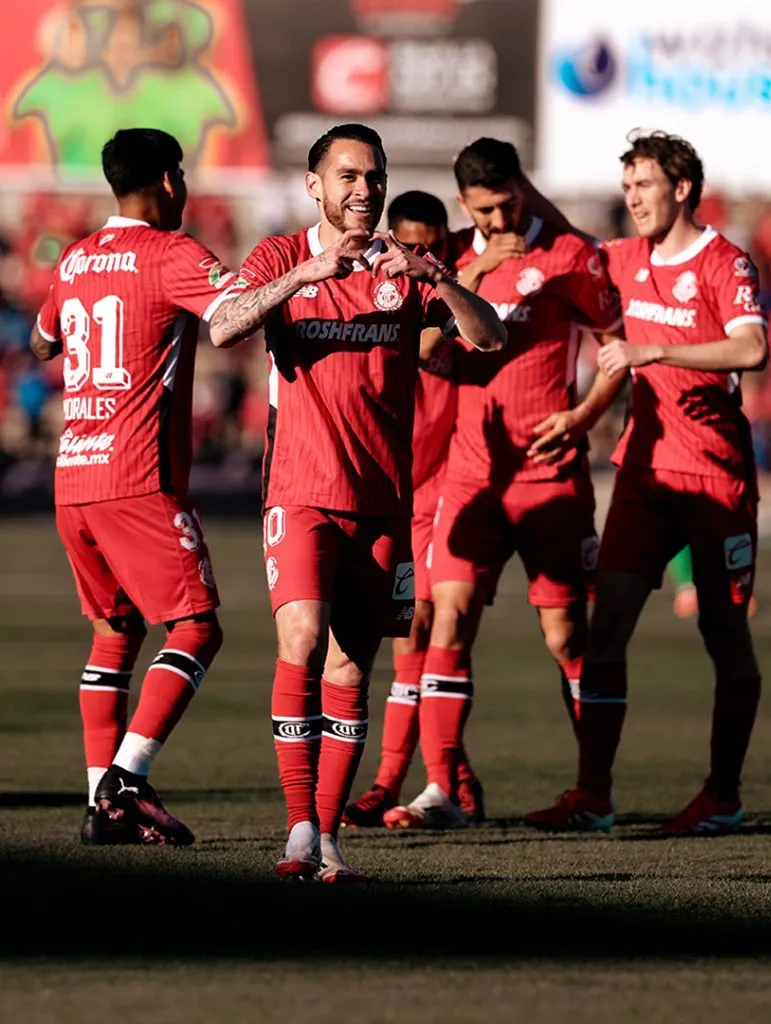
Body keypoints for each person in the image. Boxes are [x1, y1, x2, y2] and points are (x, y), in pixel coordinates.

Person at [207, 123, 506, 881]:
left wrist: (434, 277)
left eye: (371, 176)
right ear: (314, 185)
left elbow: (489, 337)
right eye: (346, 176)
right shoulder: (281, 255)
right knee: (301, 641)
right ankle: (298, 828)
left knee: (349, 669)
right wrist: (305, 275)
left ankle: (330, 838)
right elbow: (222, 326)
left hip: (381, 502)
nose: (363, 190)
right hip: (300, 491)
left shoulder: (406, 271)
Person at [526, 130, 767, 835]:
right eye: (626, 188)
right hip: (641, 472)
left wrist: (656, 348)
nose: (632, 199)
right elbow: (566, 237)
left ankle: (721, 794)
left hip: (715, 476)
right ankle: (593, 796)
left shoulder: (725, 263)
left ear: (682, 188)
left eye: (644, 187)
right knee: (605, 632)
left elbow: (751, 346)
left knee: (724, 636)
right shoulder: (619, 259)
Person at [382, 138, 623, 830]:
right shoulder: (455, 255)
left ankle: (593, 796)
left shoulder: (570, 256)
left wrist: (582, 417)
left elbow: (616, 345)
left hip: (549, 476)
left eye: (509, 203)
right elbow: (417, 350)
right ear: (464, 205)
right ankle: (442, 790)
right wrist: (476, 267)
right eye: (484, 209)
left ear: (524, 189)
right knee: (446, 621)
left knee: (566, 637)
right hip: (471, 476)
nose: (499, 219)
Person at [31, 128, 238, 845]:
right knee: (197, 628)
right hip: (137, 475)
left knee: (114, 631)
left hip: (73, 474)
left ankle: (99, 804)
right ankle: (126, 778)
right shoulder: (174, 252)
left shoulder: (76, 256)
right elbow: (234, 312)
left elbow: (43, 341)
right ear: (168, 181)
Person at [342, 191, 484, 828]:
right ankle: (409, 780)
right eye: (410, 244)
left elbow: (445, 341)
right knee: (407, 636)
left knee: (438, 620)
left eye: (434, 244)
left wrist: (449, 279)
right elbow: (422, 348)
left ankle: (437, 783)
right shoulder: (380, 295)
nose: (421, 254)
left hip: (453, 484)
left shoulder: (449, 292)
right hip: (401, 489)